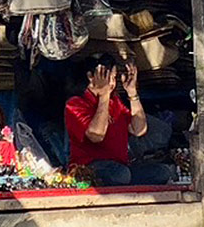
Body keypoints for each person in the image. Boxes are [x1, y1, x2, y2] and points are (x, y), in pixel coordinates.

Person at [65, 54, 173, 186]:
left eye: (114, 78)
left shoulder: (115, 102)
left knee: (161, 172)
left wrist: (132, 93)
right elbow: (96, 135)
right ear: (91, 77)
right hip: (92, 167)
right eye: (107, 77)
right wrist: (103, 96)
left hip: (119, 167)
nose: (112, 83)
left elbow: (139, 130)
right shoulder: (76, 103)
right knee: (121, 174)